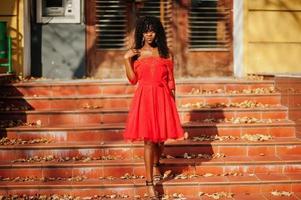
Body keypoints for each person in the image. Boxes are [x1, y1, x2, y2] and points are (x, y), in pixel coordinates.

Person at [123, 16, 184, 199]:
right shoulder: (136, 54)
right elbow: (133, 80)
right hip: (145, 98)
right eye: (146, 30)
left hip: (163, 96)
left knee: (160, 139)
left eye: (152, 30)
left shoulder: (166, 53)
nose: (149, 34)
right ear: (141, 32)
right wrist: (126, 60)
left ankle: (157, 163)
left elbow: (171, 81)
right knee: (149, 140)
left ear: (157, 32)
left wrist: (172, 101)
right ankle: (150, 184)